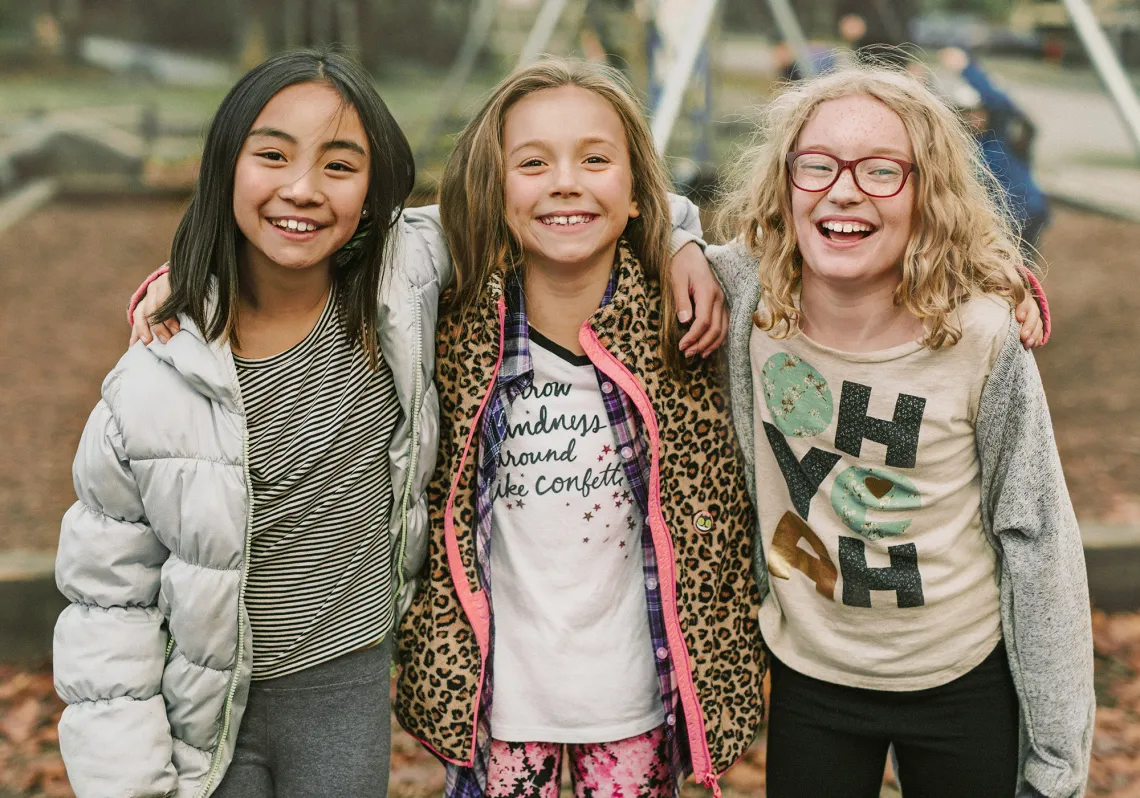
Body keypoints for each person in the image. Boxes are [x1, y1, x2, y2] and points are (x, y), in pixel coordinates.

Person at [58, 48, 726, 797]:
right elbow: (104, 602)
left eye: (340, 166)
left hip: (344, 687)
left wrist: (678, 239)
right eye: (273, 155)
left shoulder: (400, 286)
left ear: (375, 191)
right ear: (223, 166)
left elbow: (567, 206)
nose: (303, 189)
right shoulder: (150, 385)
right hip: (199, 707)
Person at [702, 65, 1093, 797]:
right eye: (816, 166)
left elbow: (1037, 537)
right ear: (783, 186)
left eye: (882, 171)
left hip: (960, 674)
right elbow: (623, 214)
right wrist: (683, 253)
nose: (843, 188)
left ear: (929, 197)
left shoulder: (980, 337)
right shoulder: (749, 299)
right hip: (814, 677)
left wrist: (1058, 756)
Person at [393, 58, 766, 798]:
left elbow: (845, 269)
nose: (566, 181)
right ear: (494, 193)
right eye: (532, 163)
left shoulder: (689, 316)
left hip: (636, 698)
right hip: (495, 702)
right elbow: (328, 253)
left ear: (637, 193)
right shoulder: (451, 315)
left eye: (595, 160)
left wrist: (997, 285)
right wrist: (204, 273)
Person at [940, 46, 1051, 257]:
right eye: (967, 113)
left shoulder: (1003, 136)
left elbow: (1000, 102)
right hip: (1000, 220)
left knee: (1020, 270)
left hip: (1025, 213)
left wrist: (965, 68)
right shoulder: (969, 145)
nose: (973, 118)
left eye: (977, 112)